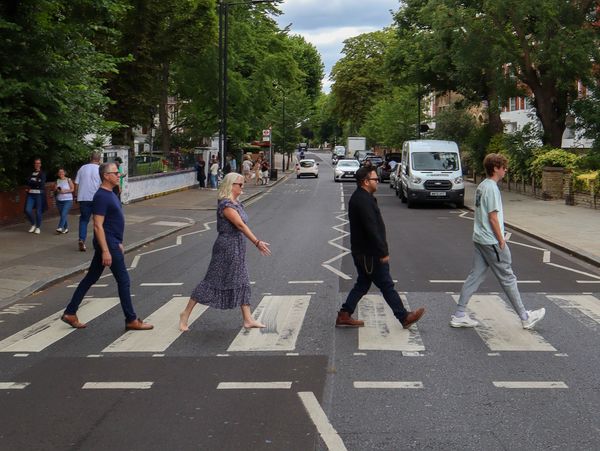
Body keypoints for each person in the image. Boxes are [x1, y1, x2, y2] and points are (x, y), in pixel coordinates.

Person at [450, 153, 546, 329]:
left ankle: (459, 314)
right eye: (503, 167)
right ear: (495, 168)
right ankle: (525, 317)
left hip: (480, 238)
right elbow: (493, 217)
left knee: (475, 276)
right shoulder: (492, 188)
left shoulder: (482, 186)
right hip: (491, 240)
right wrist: (501, 240)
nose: (506, 170)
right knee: (508, 277)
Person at [61, 162, 153, 331]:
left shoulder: (111, 193)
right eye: (115, 173)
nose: (119, 175)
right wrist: (105, 250)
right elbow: (97, 225)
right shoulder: (102, 196)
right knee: (123, 280)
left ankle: (70, 312)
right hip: (108, 245)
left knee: (91, 278)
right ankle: (131, 319)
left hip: (112, 243)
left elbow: (112, 222)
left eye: (118, 173)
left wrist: (119, 242)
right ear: (106, 176)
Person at [179, 173, 271, 331]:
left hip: (238, 246)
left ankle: (248, 319)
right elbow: (240, 225)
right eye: (240, 185)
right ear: (231, 185)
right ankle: (185, 314)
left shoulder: (236, 203)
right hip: (226, 247)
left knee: (242, 280)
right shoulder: (226, 204)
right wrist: (257, 242)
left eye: (243, 184)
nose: (242, 187)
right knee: (211, 281)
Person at [336, 166, 425, 328]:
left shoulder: (363, 197)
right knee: (386, 285)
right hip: (369, 253)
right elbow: (371, 228)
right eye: (375, 179)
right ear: (365, 181)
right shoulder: (362, 200)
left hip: (363, 252)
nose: (378, 181)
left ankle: (344, 314)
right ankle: (404, 316)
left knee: (363, 284)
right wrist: (382, 251)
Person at [75, 152, 101, 251]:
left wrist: (76, 195)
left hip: (83, 198)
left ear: (90, 158)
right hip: (96, 198)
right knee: (97, 221)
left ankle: (82, 239)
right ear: (99, 160)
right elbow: (102, 184)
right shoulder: (100, 169)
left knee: (84, 220)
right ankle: (96, 242)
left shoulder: (82, 168)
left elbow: (76, 183)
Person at [24, 158, 46, 234]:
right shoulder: (31, 173)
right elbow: (27, 181)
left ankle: (38, 227)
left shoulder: (42, 173)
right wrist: (35, 182)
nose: (37, 164)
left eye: (38, 163)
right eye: (36, 163)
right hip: (31, 194)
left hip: (39, 195)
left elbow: (41, 184)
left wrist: (32, 182)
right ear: (34, 164)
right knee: (27, 210)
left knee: (38, 211)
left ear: (40, 164)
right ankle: (33, 224)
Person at [53, 168, 74, 234]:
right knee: (63, 215)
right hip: (59, 200)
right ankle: (66, 228)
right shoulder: (57, 180)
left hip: (68, 200)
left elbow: (72, 189)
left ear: (65, 173)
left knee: (63, 213)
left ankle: (60, 227)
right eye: (59, 172)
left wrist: (65, 191)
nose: (61, 173)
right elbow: (54, 190)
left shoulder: (68, 180)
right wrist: (56, 189)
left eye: (62, 172)